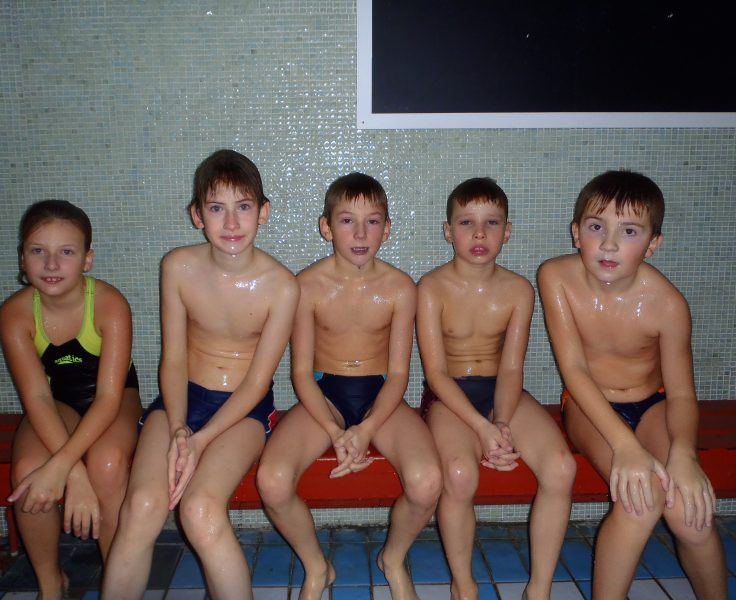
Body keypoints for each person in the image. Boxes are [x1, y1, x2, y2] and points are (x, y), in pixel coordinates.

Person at [102, 149, 299, 599]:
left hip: (243, 411)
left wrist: (201, 439)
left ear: (264, 212)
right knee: (142, 506)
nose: (231, 223)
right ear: (197, 215)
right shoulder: (178, 267)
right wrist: (178, 428)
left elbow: (257, 382)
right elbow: (173, 359)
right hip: (181, 399)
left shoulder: (282, 287)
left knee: (201, 510)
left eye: (243, 206)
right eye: (216, 208)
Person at [537, 170, 726, 599]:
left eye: (629, 231)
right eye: (596, 227)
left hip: (654, 404)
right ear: (576, 232)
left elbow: (681, 394)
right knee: (640, 500)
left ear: (653, 243)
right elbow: (574, 370)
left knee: (689, 512)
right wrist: (624, 446)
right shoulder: (556, 277)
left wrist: (684, 454)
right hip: (588, 405)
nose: (608, 244)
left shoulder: (668, 305)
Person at [257, 172, 442, 600]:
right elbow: (300, 373)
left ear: (387, 229)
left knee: (428, 481)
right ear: (326, 227)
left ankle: (393, 558)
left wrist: (367, 428)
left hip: (381, 396)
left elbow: (399, 375)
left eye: (372, 221)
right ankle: (316, 566)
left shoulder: (401, 288)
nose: (360, 233)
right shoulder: (306, 286)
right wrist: (335, 431)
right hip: (325, 397)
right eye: (347, 221)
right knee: (272, 480)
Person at [416, 178, 575, 600]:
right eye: (466, 222)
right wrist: (482, 427)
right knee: (459, 474)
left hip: (502, 391)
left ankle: (539, 589)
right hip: (449, 396)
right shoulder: (431, 288)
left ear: (507, 231)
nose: (479, 234)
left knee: (561, 467)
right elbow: (436, 374)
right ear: (448, 231)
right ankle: (464, 585)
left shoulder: (519, 290)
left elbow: (511, 368)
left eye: (492, 223)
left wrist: (501, 422)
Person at [0, 200, 142, 600]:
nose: (51, 264)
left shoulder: (109, 304)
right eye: (38, 251)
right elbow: (38, 398)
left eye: (66, 252)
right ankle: (51, 584)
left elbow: (109, 397)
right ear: (22, 258)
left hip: (114, 400)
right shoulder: (14, 314)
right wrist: (73, 474)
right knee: (29, 470)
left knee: (107, 465)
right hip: (55, 404)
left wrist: (67, 465)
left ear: (86, 259)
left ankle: (117, 582)